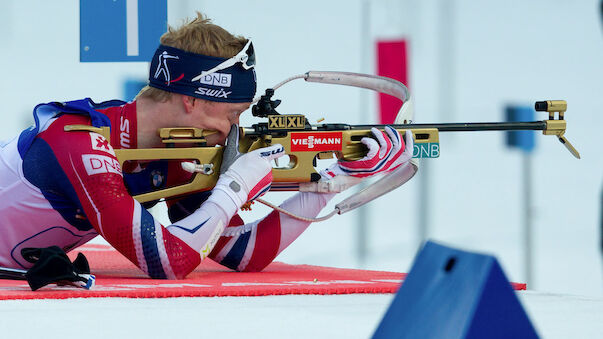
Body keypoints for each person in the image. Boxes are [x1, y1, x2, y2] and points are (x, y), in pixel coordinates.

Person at [0, 13, 413, 279]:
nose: (235, 129)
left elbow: (244, 253)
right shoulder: (80, 142)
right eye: (232, 114)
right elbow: (168, 261)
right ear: (191, 100)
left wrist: (334, 178)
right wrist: (234, 188)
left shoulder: (180, 154)